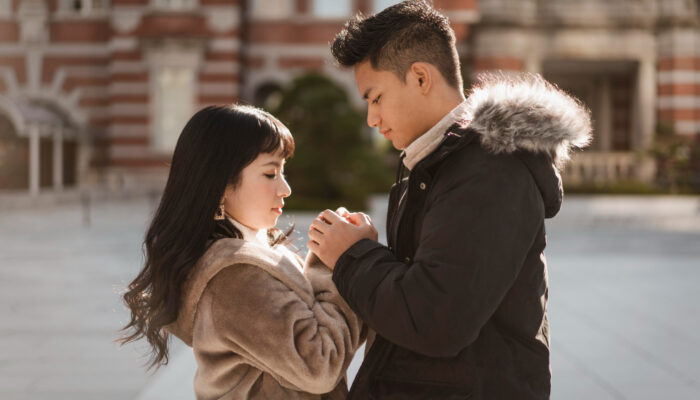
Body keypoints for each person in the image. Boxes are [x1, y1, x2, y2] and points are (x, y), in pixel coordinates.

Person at [307, 1, 592, 399]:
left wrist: (352, 256)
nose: (371, 119)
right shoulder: (436, 161)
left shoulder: (489, 170)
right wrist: (367, 249)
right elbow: (427, 287)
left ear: (420, 77)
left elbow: (434, 321)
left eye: (375, 98)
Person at [119, 104, 364, 400]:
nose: (285, 188)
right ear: (221, 184)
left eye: (283, 172)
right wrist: (338, 262)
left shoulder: (247, 256)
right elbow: (319, 365)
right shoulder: (234, 276)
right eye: (270, 173)